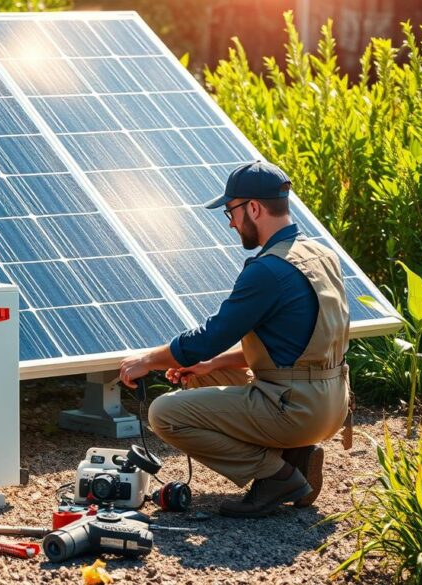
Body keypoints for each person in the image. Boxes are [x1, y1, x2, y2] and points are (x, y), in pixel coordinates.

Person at [119, 160, 351, 518]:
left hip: (296, 410)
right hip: (331, 403)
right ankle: (296, 455)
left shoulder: (269, 270)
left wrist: (146, 360)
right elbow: (291, 347)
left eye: (231, 211)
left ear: (253, 208)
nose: (229, 222)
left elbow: (207, 338)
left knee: (164, 413)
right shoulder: (321, 256)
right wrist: (213, 365)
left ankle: (277, 474)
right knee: (204, 372)